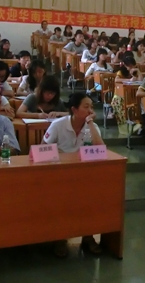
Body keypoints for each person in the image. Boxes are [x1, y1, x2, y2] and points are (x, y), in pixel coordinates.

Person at [42, 92, 104, 257]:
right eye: (86, 107)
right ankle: (60, 238)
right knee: (61, 198)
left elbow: (101, 150)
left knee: (92, 196)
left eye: (91, 107)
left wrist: (90, 123)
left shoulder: (92, 127)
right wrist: (62, 158)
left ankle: (88, 236)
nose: (90, 110)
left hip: (83, 174)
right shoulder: (58, 125)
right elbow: (42, 149)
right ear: (74, 109)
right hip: (59, 173)